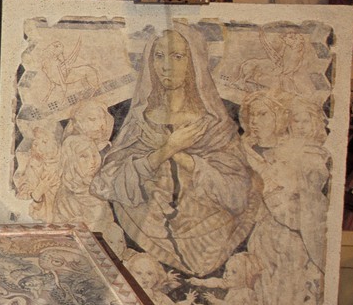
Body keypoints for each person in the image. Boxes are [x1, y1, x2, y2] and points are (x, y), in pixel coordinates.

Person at [92, 27, 257, 283]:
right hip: (148, 229)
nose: (166, 66)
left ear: (195, 63)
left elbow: (236, 193)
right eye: (159, 56)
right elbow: (106, 183)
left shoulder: (215, 126)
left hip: (209, 233)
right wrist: (167, 149)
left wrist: (181, 156)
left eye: (177, 57)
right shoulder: (140, 121)